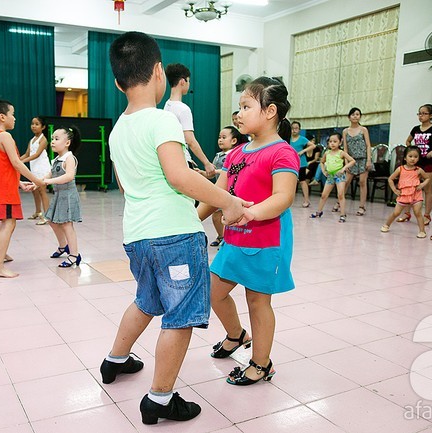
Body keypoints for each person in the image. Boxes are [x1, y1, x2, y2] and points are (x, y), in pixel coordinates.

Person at [102, 31, 252, 425]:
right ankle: (160, 399)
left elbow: (124, 184)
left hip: (136, 235)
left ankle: (114, 359)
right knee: (181, 316)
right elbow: (180, 177)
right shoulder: (162, 120)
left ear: (118, 82)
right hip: (172, 235)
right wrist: (230, 202)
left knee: (147, 300)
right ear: (158, 72)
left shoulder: (119, 130)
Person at [198, 76, 299, 386]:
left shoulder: (282, 153)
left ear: (269, 111)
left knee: (258, 302)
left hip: (266, 239)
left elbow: (284, 197)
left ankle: (261, 362)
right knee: (213, 293)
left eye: (246, 106)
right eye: (239, 107)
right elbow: (219, 193)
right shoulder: (236, 153)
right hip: (235, 239)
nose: (238, 113)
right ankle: (236, 334)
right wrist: (191, 221)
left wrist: (250, 213)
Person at [0, 99, 44, 278]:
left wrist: (18, 182)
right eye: (12, 114)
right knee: (9, 223)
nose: (15, 118)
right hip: (4, 187)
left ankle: (2, 255)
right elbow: (17, 164)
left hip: (0, 184)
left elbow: (3, 166)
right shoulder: (4, 136)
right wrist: (37, 180)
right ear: (2, 117)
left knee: (5, 221)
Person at [164, 63, 216, 177]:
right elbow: (191, 141)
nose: (189, 84)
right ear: (183, 81)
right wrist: (207, 163)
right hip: (182, 161)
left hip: (172, 160)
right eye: (188, 81)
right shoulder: (183, 109)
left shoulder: (166, 106)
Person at [199, 126, 244, 247]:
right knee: (216, 216)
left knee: (229, 217)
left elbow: (230, 171)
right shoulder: (218, 155)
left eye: (224, 137)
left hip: (230, 192)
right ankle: (221, 236)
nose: (220, 140)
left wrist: (216, 172)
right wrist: (203, 173)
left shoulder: (236, 155)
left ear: (234, 141)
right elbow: (212, 173)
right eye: (219, 137)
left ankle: (228, 240)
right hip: (218, 190)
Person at [43, 126, 82, 267]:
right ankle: (63, 246)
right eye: (52, 138)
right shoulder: (55, 160)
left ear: (67, 143)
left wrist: (49, 181)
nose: (52, 141)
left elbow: (69, 176)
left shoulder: (70, 158)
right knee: (51, 221)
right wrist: (36, 183)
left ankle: (74, 255)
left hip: (68, 195)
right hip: (59, 195)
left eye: (57, 139)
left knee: (67, 225)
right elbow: (48, 175)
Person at [380, 146, 430, 238]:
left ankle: (422, 231)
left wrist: (422, 185)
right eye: (410, 156)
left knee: (417, 212)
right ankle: (386, 225)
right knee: (396, 212)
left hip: (416, 194)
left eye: (415, 157)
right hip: (403, 194)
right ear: (405, 158)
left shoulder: (419, 170)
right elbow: (390, 179)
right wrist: (395, 190)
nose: (413, 159)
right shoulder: (400, 169)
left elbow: (427, 178)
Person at [310, 132, 355, 222]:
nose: (332, 143)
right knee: (324, 195)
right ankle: (319, 211)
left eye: (335, 141)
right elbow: (322, 162)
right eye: (330, 141)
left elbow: (352, 161)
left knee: (340, 195)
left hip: (340, 176)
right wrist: (323, 170)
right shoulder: (327, 153)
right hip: (330, 176)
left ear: (340, 142)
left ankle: (342, 214)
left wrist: (343, 169)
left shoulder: (341, 153)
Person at [20, 116, 50, 225]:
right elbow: (27, 154)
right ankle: (38, 212)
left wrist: (22, 162)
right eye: (32, 123)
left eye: (37, 124)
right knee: (34, 190)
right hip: (34, 169)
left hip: (42, 169)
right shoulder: (32, 140)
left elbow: (36, 155)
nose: (34, 126)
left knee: (42, 191)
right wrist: (17, 160)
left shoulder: (44, 139)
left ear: (43, 127)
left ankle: (47, 216)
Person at [342, 107, 372, 216]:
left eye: (357, 114)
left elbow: (368, 145)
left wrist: (368, 160)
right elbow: (345, 148)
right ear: (349, 117)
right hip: (351, 160)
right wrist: (346, 162)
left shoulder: (364, 130)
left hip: (363, 158)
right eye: (353, 114)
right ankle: (340, 202)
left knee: (362, 182)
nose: (355, 116)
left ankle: (362, 206)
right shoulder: (345, 131)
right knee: (346, 182)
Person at [290, 121, 316, 207]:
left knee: (302, 181)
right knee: (290, 181)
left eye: (296, 128)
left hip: (301, 163)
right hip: (290, 163)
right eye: (292, 128)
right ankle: (288, 200)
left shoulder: (302, 139)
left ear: (299, 129)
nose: (294, 130)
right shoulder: (288, 139)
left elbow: (313, 146)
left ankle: (306, 200)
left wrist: (303, 151)